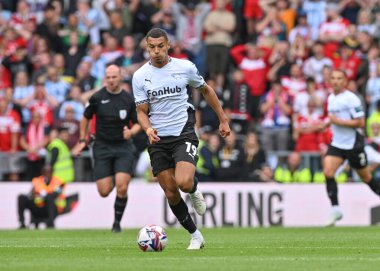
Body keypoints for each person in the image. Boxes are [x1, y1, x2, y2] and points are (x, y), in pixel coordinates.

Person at [132, 28, 230, 250]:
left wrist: (223, 120)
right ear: (147, 48)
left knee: (184, 183)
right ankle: (195, 235)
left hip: (183, 132)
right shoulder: (139, 76)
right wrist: (147, 129)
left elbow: (206, 90)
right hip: (157, 138)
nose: (156, 51)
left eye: (160, 46)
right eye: (151, 47)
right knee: (170, 191)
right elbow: (141, 111)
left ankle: (194, 189)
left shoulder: (184, 67)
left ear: (168, 45)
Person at [72, 64, 140, 233]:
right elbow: (85, 118)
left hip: (123, 147)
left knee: (122, 186)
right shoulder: (97, 97)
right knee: (104, 191)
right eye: (108, 77)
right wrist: (82, 140)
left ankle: (117, 224)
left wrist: (131, 132)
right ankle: (111, 179)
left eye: (114, 77)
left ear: (120, 77)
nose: (111, 80)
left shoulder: (128, 99)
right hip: (102, 147)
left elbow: (139, 122)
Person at [323, 69, 380, 226]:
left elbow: (360, 122)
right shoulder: (331, 98)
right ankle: (336, 209)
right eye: (333, 78)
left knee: (366, 177)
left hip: (353, 144)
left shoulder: (351, 99)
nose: (335, 81)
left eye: (339, 78)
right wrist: (327, 123)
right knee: (328, 172)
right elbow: (333, 119)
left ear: (345, 81)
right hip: (337, 144)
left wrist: (337, 122)